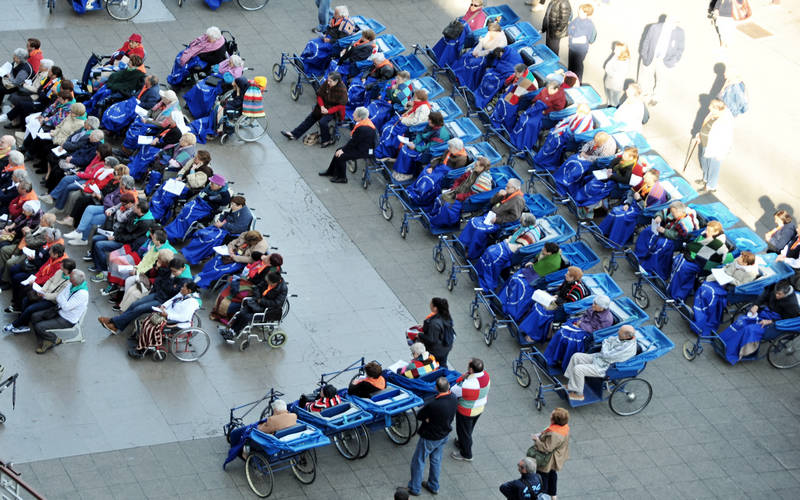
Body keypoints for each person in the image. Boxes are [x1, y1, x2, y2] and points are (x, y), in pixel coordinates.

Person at [97, 256, 189, 334]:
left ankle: (113, 322)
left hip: (164, 302)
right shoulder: (172, 273)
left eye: (174, 271)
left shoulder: (185, 280)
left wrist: (169, 283)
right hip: (158, 294)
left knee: (139, 309)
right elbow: (162, 282)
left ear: (182, 269)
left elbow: (172, 291)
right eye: (171, 271)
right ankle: (115, 324)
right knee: (134, 304)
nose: (172, 273)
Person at [404, 377, 457, 496]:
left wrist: (428, 419)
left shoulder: (434, 404)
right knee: (436, 460)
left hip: (430, 436)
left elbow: (420, 415)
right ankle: (433, 485)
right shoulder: (453, 398)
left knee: (418, 460)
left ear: (436, 388)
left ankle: (414, 488)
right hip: (444, 434)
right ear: (448, 386)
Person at [128, 281, 202, 359]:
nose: (181, 288)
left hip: (178, 321)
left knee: (152, 326)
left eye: (184, 287)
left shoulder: (192, 302)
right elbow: (171, 300)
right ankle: (142, 340)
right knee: (149, 319)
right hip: (168, 315)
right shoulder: (182, 294)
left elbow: (184, 317)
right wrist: (163, 306)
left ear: (189, 291)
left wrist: (168, 315)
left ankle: (143, 349)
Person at [565, 325, 637, 400]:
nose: (618, 332)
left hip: (604, 367)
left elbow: (606, 354)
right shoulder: (623, 338)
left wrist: (606, 347)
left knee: (578, 369)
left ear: (627, 336)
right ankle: (571, 385)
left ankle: (579, 394)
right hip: (599, 358)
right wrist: (606, 348)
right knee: (576, 356)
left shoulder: (627, 348)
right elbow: (606, 340)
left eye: (620, 332)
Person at [281, 72, 347, 148]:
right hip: (322, 107)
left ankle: (326, 140)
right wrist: (322, 106)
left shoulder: (342, 91)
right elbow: (319, 95)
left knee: (323, 122)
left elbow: (340, 106)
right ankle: (294, 134)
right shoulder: (327, 83)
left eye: (330, 81)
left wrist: (328, 111)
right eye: (328, 80)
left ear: (336, 81)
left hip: (332, 110)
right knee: (310, 118)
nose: (328, 82)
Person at [30, 269, 88, 354]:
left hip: (67, 319)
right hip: (58, 310)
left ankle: (53, 339)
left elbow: (65, 306)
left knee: (39, 326)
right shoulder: (72, 285)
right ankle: (44, 338)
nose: (68, 277)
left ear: (74, 281)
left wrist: (62, 300)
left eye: (70, 277)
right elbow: (59, 297)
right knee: (34, 316)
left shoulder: (82, 294)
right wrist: (63, 300)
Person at [319, 106, 375, 183]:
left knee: (341, 156)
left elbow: (353, 142)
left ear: (359, 118)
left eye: (355, 114)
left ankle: (342, 178)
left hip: (364, 150)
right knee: (338, 151)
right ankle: (331, 172)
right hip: (360, 145)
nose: (352, 115)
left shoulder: (362, 129)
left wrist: (343, 150)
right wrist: (342, 150)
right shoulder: (364, 121)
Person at [223, 272, 288, 338]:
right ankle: (231, 330)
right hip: (256, 303)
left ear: (274, 283)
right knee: (242, 312)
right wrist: (257, 297)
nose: (266, 282)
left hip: (266, 309)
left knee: (246, 317)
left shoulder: (283, 289)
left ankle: (234, 332)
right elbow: (257, 288)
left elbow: (276, 303)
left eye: (268, 282)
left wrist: (261, 301)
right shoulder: (268, 280)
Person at [639, 15, 685, 105]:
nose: (675, 26)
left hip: (666, 61)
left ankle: (656, 97)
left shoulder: (680, 32)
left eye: (677, 23)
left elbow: (680, 48)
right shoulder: (655, 28)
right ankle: (644, 94)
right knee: (645, 76)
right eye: (674, 23)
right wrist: (644, 55)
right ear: (667, 21)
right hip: (650, 57)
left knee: (662, 80)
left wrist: (674, 60)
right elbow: (646, 41)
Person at [450, 358, 490, 462]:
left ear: (471, 370)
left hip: (466, 411)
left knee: (463, 432)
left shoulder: (467, 384)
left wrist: (462, 378)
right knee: (468, 429)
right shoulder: (486, 376)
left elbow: (453, 390)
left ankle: (466, 454)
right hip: (479, 408)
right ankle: (462, 443)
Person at [529, 407, 570, 500]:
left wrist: (537, 440)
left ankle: (544, 497)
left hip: (548, 460)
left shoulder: (554, 434)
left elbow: (546, 448)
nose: (550, 415)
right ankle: (553, 495)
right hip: (557, 458)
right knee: (552, 475)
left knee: (543, 478)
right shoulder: (564, 427)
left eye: (552, 414)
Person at [696, 99, 733, 193]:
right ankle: (705, 179)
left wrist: (722, 153)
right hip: (706, 144)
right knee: (705, 163)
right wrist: (699, 135)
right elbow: (705, 125)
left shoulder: (725, 121)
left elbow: (727, 139)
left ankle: (710, 186)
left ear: (718, 109)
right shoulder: (713, 114)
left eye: (711, 106)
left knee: (713, 168)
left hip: (716, 149)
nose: (709, 107)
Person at [418, 297, 456, 368]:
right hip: (446, 346)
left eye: (431, 304)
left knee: (430, 366)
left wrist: (419, 335)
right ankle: (444, 375)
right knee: (443, 363)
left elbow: (431, 339)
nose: (430, 305)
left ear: (435, 308)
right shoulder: (446, 315)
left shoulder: (434, 323)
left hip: (436, 350)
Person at [567, 4, 597, 81]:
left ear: (586, 13)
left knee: (577, 67)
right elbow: (570, 28)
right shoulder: (577, 19)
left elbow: (588, 38)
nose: (578, 12)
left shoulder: (589, 25)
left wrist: (572, 34)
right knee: (571, 66)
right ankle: (569, 80)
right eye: (579, 10)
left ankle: (578, 82)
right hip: (572, 47)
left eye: (580, 11)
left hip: (580, 50)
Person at [604, 42, 631, 107]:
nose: (614, 50)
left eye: (616, 49)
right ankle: (609, 107)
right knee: (609, 99)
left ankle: (615, 112)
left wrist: (609, 71)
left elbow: (616, 75)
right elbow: (606, 66)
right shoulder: (616, 55)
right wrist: (610, 70)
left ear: (622, 51)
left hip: (616, 86)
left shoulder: (624, 62)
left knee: (615, 101)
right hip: (609, 82)